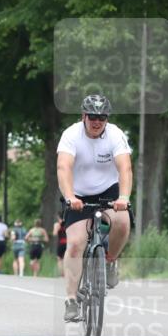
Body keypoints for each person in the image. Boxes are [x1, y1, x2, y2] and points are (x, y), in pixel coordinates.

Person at [57, 93, 133, 322]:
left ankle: (110, 261)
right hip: (78, 194)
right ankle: (71, 300)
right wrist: (69, 196)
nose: (97, 121)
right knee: (75, 244)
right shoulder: (71, 135)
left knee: (122, 222)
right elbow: (63, 168)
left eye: (102, 117)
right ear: (83, 116)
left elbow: (125, 169)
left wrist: (124, 196)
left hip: (108, 191)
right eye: (92, 116)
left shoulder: (115, 135)